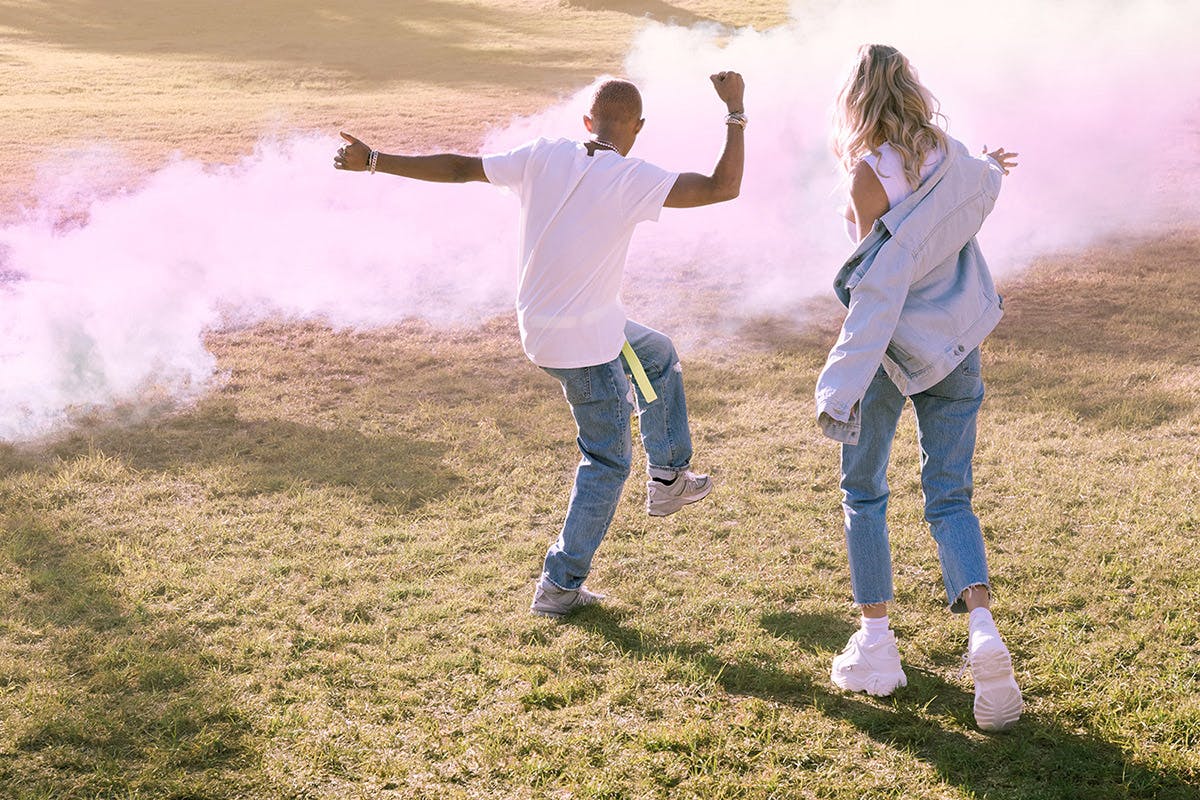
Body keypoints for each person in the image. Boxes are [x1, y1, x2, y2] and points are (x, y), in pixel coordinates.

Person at [335, 72, 747, 618]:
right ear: (638, 129)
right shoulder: (631, 178)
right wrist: (735, 109)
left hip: (550, 325)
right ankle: (559, 585)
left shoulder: (542, 154)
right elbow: (724, 187)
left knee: (655, 353)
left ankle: (669, 475)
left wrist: (374, 160)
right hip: (583, 345)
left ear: (586, 122)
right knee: (605, 461)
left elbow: (459, 167)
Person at [815, 44, 1023, 732]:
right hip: (956, 345)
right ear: (910, 90)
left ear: (856, 100)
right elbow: (968, 201)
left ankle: (877, 647)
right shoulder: (948, 151)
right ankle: (984, 632)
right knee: (950, 496)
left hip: (889, 351)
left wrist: (841, 380)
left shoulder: (868, 178)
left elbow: (878, 284)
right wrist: (991, 163)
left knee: (864, 491)